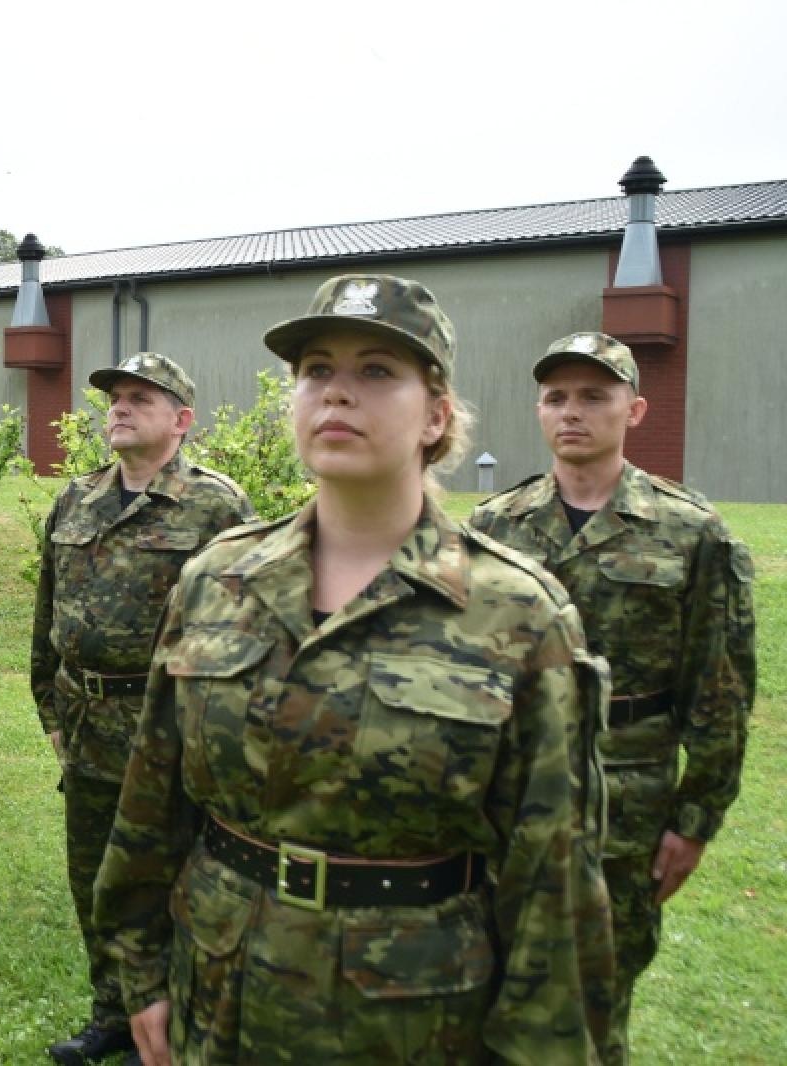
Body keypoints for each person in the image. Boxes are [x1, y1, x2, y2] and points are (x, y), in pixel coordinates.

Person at [93, 275, 615, 1065]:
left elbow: (555, 878)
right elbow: (151, 802)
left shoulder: (517, 612)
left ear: (436, 415)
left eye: (376, 370)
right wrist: (141, 970)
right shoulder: (216, 580)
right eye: (316, 371)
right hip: (222, 989)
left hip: (413, 1017)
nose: (337, 392)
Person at [470, 332, 755, 1065]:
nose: (571, 412)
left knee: (599, 998)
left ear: (634, 410)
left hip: (626, 802)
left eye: (594, 396)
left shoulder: (692, 533)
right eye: (556, 397)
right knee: (484, 989)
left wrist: (695, 820)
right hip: (505, 796)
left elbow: (720, 691)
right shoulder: (492, 527)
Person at [32, 352, 252, 1066]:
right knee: (96, 880)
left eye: (140, 398)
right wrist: (53, 714)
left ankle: (175, 1022)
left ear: (182, 420)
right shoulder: (75, 500)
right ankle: (114, 1015)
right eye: (116, 397)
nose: (120, 408)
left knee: (173, 881)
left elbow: (241, 633)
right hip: (87, 727)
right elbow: (47, 617)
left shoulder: (217, 506)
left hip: (169, 730)